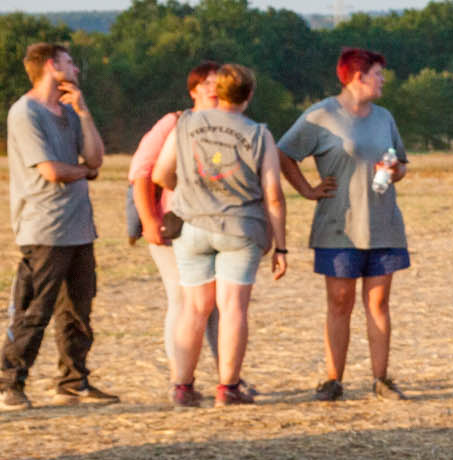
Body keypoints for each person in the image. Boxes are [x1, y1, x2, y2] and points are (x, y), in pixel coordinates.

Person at [278, 48, 412, 402]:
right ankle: (332, 379)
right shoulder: (322, 115)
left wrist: (395, 171)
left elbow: (401, 163)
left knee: (378, 303)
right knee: (340, 302)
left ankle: (381, 379)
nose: (383, 80)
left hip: (383, 224)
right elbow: (283, 153)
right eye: (378, 74)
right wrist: (306, 189)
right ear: (357, 77)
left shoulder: (384, 117)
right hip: (339, 226)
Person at [154, 62, 288, 406]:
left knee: (194, 308)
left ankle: (182, 387)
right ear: (249, 94)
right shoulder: (259, 134)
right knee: (232, 308)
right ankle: (228, 388)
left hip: (192, 225)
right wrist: (281, 246)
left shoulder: (186, 123)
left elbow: (160, 173)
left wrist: (189, 192)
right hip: (241, 227)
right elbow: (273, 194)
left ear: (218, 91)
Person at [1, 43, 112, 410]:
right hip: (44, 228)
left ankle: (73, 381)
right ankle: (9, 384)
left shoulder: (68, 110)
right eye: (69, 62)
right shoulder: (25, 112)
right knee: (34, 310)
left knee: (78, 311)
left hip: (79, 226)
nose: (75, 69)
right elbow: (51, 171)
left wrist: (83, 112)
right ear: (51, 65)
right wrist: (84, 172)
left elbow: (95, 157)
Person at [131, 63, 221, 385]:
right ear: (193, 91)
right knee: (182, 300)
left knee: (218, 304)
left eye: (219, 82)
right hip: (174, 225)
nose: (214, 88)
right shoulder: (174, 122)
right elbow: (141, 172)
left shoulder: (229, 126)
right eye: (206, 83)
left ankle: (227, 376)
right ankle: (179, 378)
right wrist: (149, 220)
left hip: (216, 227)